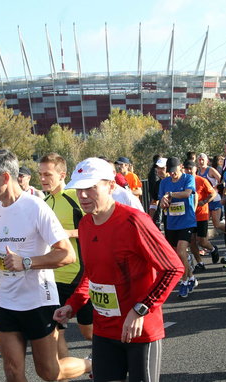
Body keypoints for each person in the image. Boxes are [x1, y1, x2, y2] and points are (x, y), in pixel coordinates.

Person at [53, 158, 183, 382]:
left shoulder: (134, 220)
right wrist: (73, 304)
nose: (82, 195)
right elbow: (91, 274)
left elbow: (173, 268)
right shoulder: (84, 225)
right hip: (103, 330)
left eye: (90, 188)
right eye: (79, 189)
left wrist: (141, 309)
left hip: (140, 331)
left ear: (111, 186)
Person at [0, 150, 90, 382]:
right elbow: (4, 251)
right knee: (13, 371)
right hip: (6, 301)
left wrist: (26, 263)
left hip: (38, 300)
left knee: (48, 372)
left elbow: (67, 254)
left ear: (5, 177)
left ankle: (91, 364)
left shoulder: (36, 207)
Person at [37, 153, 94, 359]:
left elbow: (97, 228)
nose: (42, 179)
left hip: (78, 276)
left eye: (47, 174)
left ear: (62, 175)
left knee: (88, 332)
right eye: (40, 174)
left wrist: (67, 233)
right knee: (54, 332)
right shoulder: (44, 202)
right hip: (53, 278)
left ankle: (109, 358)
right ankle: (62, 375)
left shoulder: (75, 197)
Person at [158, 157, 199, 298]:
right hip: (172, 223)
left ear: (180, 167)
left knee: (181, 251)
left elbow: (187, 193)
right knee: (177, 255)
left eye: (174, 171)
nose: (172, 175)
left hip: (187, 221)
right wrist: (163, 202)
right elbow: (161, 203)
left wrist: (170, 194)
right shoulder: (164, 182)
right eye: (169, 172)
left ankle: (185, 281)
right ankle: (191, 277)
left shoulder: (188, 178)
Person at [183, 159, 220, 270]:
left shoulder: (201, 180)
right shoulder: (182, 181)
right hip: (189, 216)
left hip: (201, 214)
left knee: (202, 241)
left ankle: (213, 249)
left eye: (191, 168)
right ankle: (200, 263)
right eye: (187, 169)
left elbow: (213, 193)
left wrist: (204, 202)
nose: (189, 171)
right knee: (192, 241)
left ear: (196, 169)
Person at [196, 152, 224, 246]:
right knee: (204, 225)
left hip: (214, 199)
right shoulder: (198, 172)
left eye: (202, 159)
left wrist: (215, 188)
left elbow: (222, 180)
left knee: (217, 224)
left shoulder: (210, 170)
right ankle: (204, 245)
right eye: (199, 160)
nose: (201, 161)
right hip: (206, 201)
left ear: (207, 161)